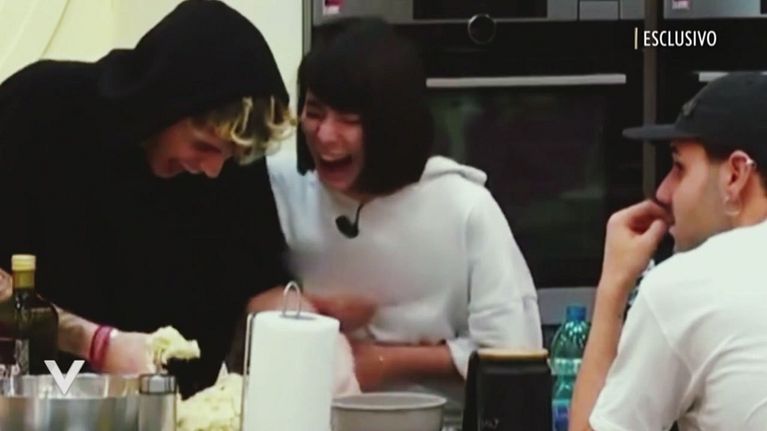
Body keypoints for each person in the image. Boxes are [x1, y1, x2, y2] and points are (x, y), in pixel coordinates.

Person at [0, 0, 295, 396]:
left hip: (176, 406)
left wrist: (311, 342)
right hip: (31, 397)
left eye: (232, 155)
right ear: (162, 107)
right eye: (203, 146)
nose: (213, 170)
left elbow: (261, 284)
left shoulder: (231, 163)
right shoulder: (40, 109)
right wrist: (97, 343)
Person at [266, 18, 543, 401]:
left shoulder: (465, 208)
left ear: (392, 127)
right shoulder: (277, 188)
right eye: (314, 113)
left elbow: (513, 353)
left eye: (349, 120)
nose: (325, 135)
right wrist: (309, 311)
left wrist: (384, 362)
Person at [570, 72, 767, 430]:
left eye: (679, 168)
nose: (662, 191)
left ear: (736, 174)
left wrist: (613, 286)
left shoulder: (688, 285)